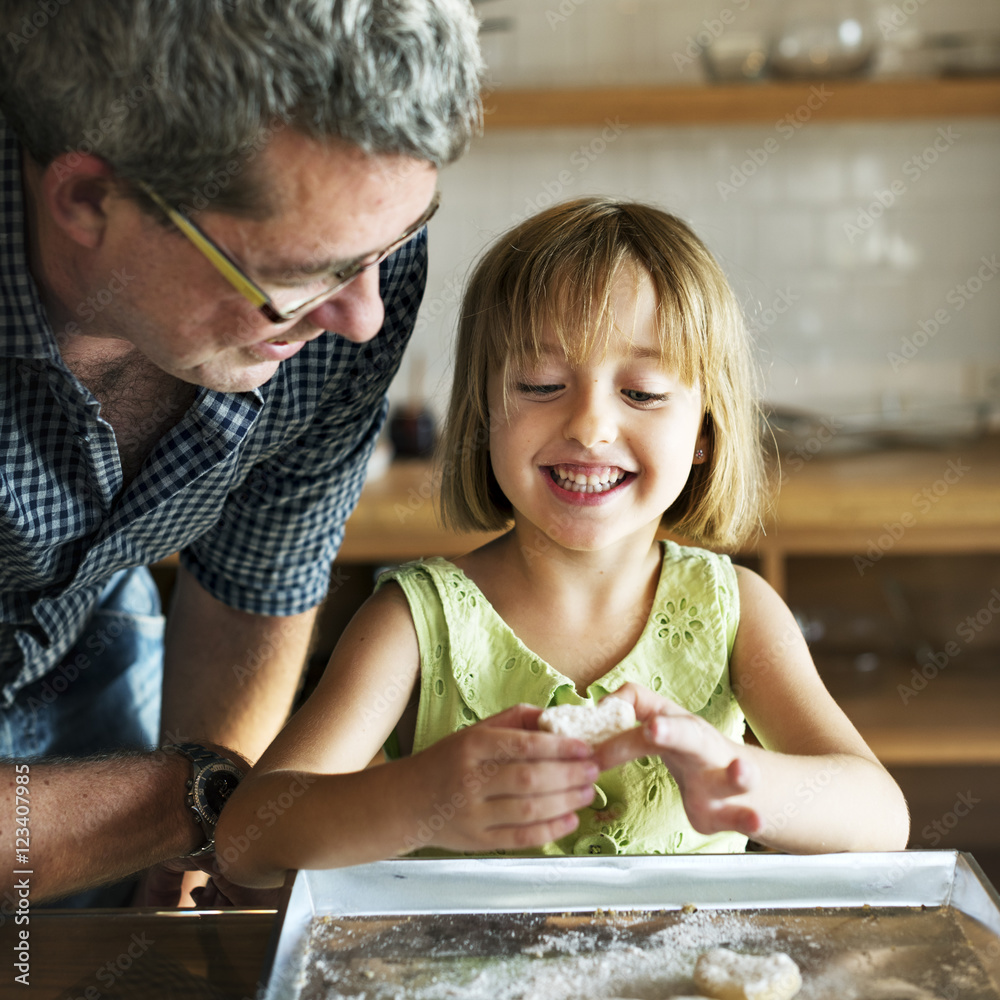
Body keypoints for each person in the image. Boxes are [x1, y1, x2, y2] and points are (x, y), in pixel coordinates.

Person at [216, 197, 909, 891]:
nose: (590, 426)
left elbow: (881, 817)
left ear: (704, 431)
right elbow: (250, 838)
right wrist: (420, 801)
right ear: (484, 415)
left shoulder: (738, 612)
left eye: (641, 392)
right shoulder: (415, 622)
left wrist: (744, 780)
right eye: (542, 384)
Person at [0, 0, 482, 908]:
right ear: (88, 200)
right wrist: (195, 799)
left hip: (87, 656)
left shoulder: (353, 276)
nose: (366, 315)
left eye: (394, 244)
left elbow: (256, 585)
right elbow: (209, 796)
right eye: (299, 276)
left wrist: (184, 867)